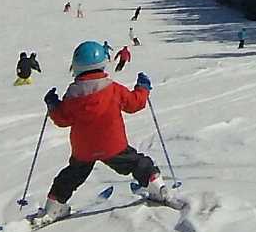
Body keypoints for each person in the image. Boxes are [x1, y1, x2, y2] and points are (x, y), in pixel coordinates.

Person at [34, 42, 168, 221]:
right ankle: (155, 186)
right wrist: (142, 88)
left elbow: (62, 119)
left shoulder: (72, 95)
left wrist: (53, 105)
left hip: (84, 150)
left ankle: (54, 206)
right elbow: (135, 103)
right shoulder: (113, 89)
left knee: (70, 177)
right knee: (137, 163)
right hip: (113, 146)